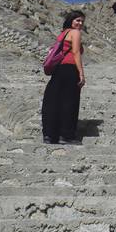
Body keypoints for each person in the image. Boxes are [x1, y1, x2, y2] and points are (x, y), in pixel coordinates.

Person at [41, 10, 86, 144]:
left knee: (53, 101)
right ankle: (66, 135)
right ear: (71, 20)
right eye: (77, 20)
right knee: (69, 102)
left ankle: (50, 135)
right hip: (70, 69)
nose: (80, 23)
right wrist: (81, 73)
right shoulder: (75, 33)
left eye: (82, 21)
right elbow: (76, 52)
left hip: (59, 70)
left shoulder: (62, 34)